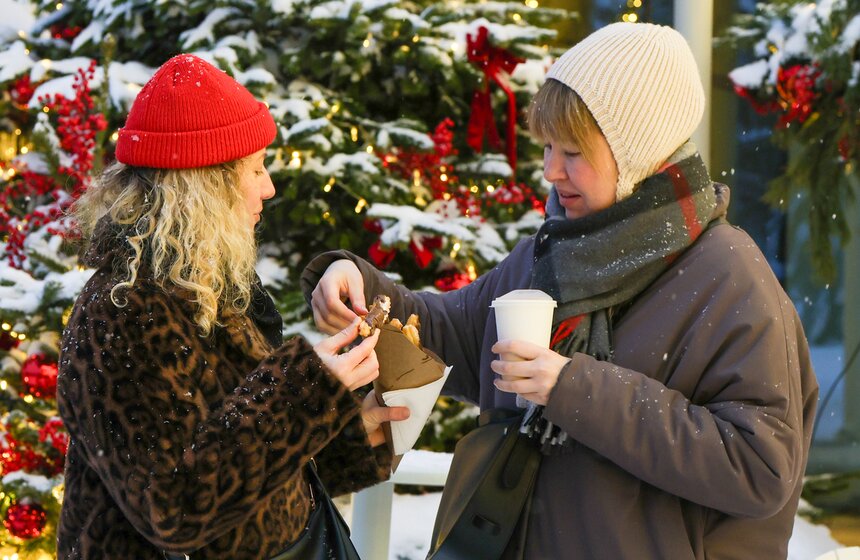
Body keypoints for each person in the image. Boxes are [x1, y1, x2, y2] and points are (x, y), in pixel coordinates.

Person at [303, 22, 819, 559]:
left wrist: (575, 389)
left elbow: (761, 468)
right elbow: (453, 330)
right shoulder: (554, 251)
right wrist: (360, 285)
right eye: (548, 146)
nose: (551, 170)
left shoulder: (730, 278)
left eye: (573, 151)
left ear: (639, 152)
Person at [57, 53, 407, 559]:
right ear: (204, 188)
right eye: (257, 169)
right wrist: (306, 393)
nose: (269, 187)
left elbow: (240, 464)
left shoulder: (204, 286)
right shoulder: (122, 311)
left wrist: (344, 431)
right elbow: (174, 507)